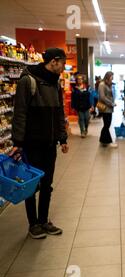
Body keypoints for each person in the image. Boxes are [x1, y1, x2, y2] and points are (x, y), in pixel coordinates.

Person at [10, 47, 69, 239]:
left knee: (47, 184)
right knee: (31, 185)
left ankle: (43, 220)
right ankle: (33, 224)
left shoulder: (56, 84)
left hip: (50, 144)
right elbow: (20, 113)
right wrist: (18, 141)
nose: (63, 68)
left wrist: (62, 138)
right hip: (32, 144)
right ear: (54, 61)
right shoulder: (28, 81)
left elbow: (59, 113)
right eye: (62, 63)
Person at [98, 71, 117, 147]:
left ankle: (103, 140)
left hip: (109, 108)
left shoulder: (109, 84)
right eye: (112, 76)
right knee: (107, 124)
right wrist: (111, 103)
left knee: (107, 125)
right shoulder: (102, 85)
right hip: (105, 107)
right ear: (108, 76)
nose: (112, 78)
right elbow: (102, 97)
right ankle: (108, 141)